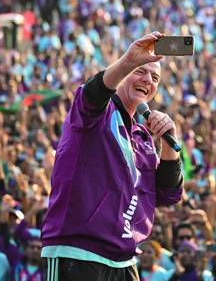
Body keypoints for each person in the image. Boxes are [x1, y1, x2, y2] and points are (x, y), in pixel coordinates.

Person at [42, 31, 184, 280]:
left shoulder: (143, 138)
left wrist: (169, 142)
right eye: (140, 71)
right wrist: (129, 61)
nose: (148, 80)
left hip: (124, 260)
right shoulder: (95, 115)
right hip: (79, 253)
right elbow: (94, 94)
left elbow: (167, 194)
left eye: (155, 77)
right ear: (122, 74)